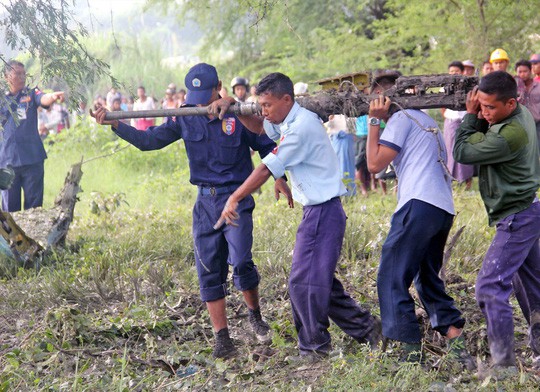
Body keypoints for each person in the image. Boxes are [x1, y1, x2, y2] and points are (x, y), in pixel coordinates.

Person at [91, 63, 285, 359]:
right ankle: (223, 338)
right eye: (194, 95)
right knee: (208, 269)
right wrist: (116, 124)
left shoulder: (237, 114)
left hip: (236, 198)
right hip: (205, 204)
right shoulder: (185, 116)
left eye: (204, 94)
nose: (198, 101)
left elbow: (264, 144)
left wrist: (280, 176)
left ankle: (254, 315)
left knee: (242, 260)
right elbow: (149, 141)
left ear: (218, 86)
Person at [214, 72, 381, 362]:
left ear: (286, 99)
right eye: (260, 105)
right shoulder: (288, 120)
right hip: (317, 212)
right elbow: (261, 130)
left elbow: (266, 169)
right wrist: (235, 106)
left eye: (267, 105)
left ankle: (314, 347)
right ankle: (371, 331)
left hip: (323, 212)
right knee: (321, 283)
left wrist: (235, 197)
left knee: (303, 283)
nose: (264, 111)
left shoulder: (302, 127)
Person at [366, 72, 474, 368]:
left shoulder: (401, 120)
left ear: (385, 99)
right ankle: (457, 345)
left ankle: (410, 356)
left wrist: (373, 121)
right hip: (441, 209)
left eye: (374, 97)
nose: (370, 103)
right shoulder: (426, 121)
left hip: (419, 204)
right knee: (426, 277)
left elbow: (375, 164)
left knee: (391, 276)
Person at [453, 71, 540, 374]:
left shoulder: (510, 134)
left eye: (490, 108)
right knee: (530, 285)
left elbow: (463, 152)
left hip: (518, 216)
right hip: (526, 211)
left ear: (511, 103)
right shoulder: (522, 113)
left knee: (489, 287)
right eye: (481, 106)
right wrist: (482, 115)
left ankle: (503, 366)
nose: (484, 112)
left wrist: (469, 116)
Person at [0, 60, 64, 212]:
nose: (22, 77)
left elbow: (43, 98)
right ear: (6, 76)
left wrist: (53, 96)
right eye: (17, 74)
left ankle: (32, 236)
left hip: (32, 159)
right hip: (7, 161)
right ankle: (12, 237)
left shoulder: (31, 93)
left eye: (24, 74)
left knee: (34, 208)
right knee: (10, 210)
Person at [443, 61, 474, 189]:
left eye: (456, 71)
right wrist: (447, 115)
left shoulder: (468, 86)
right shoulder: (445, 87)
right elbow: (441, 105)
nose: (454, 74)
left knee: (467, 150)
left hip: (465, 121)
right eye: (451, 71)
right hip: (451, 122)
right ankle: (452, 182)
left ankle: (467, 183)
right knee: (450, 151)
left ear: (462, 72)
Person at [325, 114, 356, 196]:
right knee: (337, 165)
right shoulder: (330, 112)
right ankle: (338, 192)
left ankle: (349, 191)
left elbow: (352, 126)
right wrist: (330, 118)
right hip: (336, 141)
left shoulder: (348, 113)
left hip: (347, 140)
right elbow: (328, 126)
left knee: (348, 166)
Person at [515, 60, 540, 152]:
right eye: (519, 72)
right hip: (521, 125)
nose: (522, 74)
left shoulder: (538, 86)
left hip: (537, 125)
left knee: (537, 151)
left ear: (530, 71)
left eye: (525, 71)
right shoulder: (514, 88)